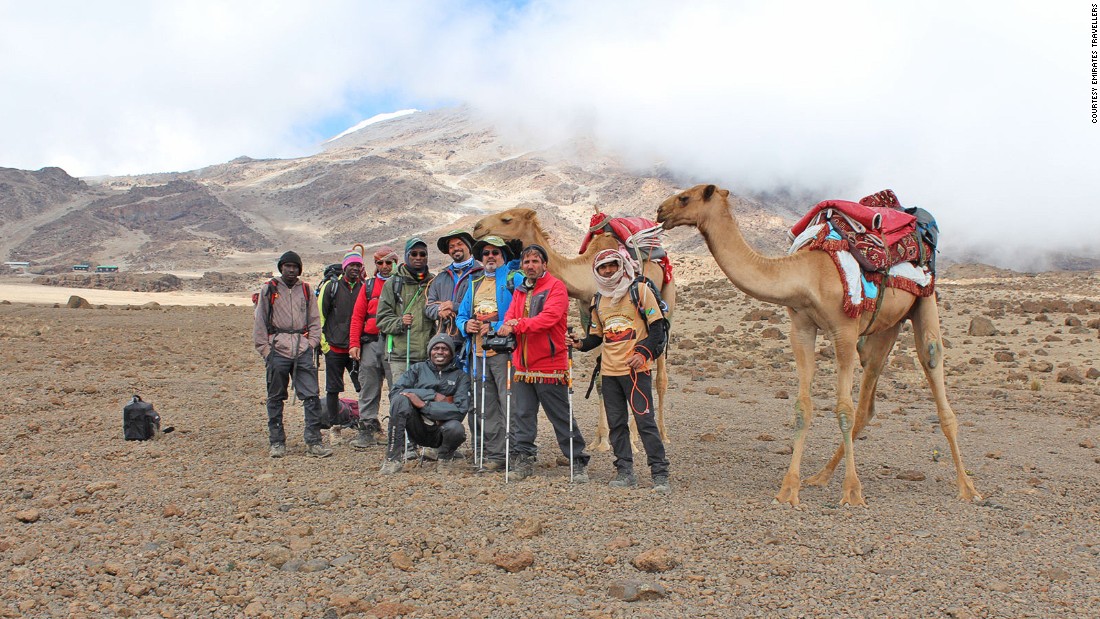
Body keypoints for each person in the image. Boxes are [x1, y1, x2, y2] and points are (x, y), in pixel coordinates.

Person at [571, 248, 670, 493]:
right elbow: (596, 336)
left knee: (645, 422)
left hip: (636, 371)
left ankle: (660, 473)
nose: (608, 271)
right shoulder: (598, 300)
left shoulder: (640, 292)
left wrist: (643, 352)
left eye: (612, 265)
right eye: (602, 267)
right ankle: (624, 470)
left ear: (621, 266)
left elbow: (658, 328)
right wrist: (580, 344)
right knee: (616, 424)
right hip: (610, 372)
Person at [497, 244, 590, 483]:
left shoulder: (556, 287)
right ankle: (523, 459)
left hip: (549, 364)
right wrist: (507, 324)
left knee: (560, 414)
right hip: (522, 364)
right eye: (526, 262)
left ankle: (577, 460)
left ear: (544, 264)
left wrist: (516, 325)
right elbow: (509, 315)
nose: (530, 266)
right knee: (522, 414)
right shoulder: (519, 289)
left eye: (535, 261)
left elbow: (548, 319)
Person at [252, 250, 331, 458]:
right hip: (277, 348)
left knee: (311, 395)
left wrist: (312, 342)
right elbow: (260, 320)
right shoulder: (269, 289)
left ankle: (314, 441)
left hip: (302, 348)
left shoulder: (305, 290)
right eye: (287, 266)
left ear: (299, 269)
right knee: (275, 397)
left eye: (295, 267)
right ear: (281, 267)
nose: (291, 270)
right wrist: (266, 350)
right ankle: (277, 442)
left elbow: (315, 320)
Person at [455, 236, 522, 471]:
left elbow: (522, 311)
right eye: (486, 253)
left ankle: (517, 452)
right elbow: (462, 314)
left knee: (510, 403)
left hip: (505, 352)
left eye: (495, 252)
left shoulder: (515, 279)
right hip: (478, 353)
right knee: (487, 405)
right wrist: (466, 326)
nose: (490, 257)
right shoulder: (474, 283)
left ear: (503, 256)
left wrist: (496, 326)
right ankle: (495, 454)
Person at [380, 334, 471, 474]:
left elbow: (460, 409)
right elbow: (396, 392)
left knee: (457, 429)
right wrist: (431, 395)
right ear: (430, 351)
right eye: (436, 348)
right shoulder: (417, 369)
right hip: (417, 427)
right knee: (400, 400)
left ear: (452, 353)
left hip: (442, 429)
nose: (440, 352)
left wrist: (424, 406)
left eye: (445, 349)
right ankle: (393, 459)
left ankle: (445, 457)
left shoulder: (460, 376)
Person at [347, 245, 398, 448]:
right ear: (375, 264)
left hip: (395, 342)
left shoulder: (402, 284)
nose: (384, 266)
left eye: (388, 262)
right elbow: (358, 316)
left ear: (395, 262)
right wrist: (353, 343)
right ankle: (367, 427)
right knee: (368, 385)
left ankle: (397, 428)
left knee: (397, 386)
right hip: (370, 342)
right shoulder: (368, 286)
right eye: (380, 262)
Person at [318, 249, 364, 436]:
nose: (355, 268)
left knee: (363, 386)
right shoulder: (331, 287)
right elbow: (320, 315)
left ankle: (366, 423)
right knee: (333, 388)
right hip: (334, 347)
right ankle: (334, 427)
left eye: (358, 265)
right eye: (351, 265)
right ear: (344, 267)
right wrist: (325, 346)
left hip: (356, 348)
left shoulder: (364, 287)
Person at [375, 238, 435, 377]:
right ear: (406, 256)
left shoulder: (433, 282)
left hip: (428, 356)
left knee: (425, 397)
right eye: (413, 254)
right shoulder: (393, 283)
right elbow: (382, 318)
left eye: (422, 254)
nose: (418, 257)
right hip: (401, 356)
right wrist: (400, 322)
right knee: (402, 397)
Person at [426, 229, 483, 348]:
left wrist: (455, 306)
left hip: (473, 338)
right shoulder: (440, 278)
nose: (455, 248)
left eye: (459, 244)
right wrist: (439, 310)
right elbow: (428, 306)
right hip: (445, 340)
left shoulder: (482, 275)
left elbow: (485, 304)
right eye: (451, 246)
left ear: (469, 247)